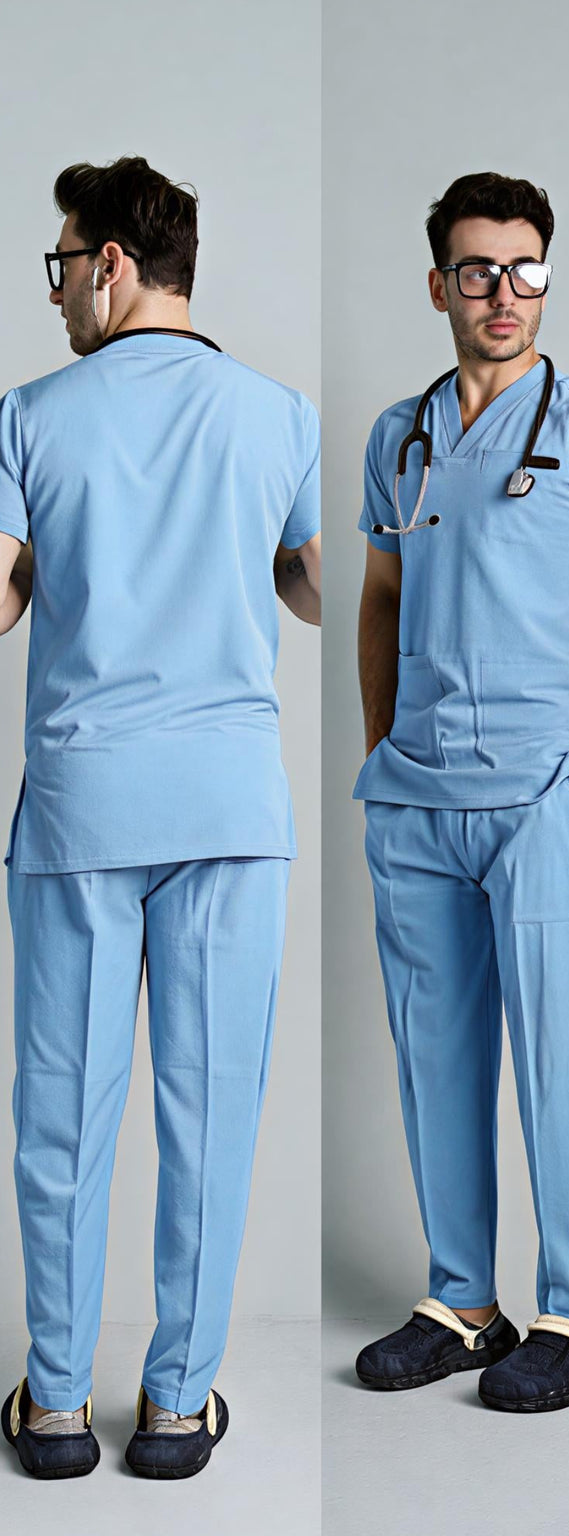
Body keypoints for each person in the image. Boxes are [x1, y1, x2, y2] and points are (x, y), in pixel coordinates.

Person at [0, 156, 321, 1481]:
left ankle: (56, 1409)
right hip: (230, 809)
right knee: (211, 1112)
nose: (58, 293)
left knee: (62, 1117)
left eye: (63, 266)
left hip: (84, 808)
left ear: (115, 264)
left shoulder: (29, 416)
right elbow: (316, 586)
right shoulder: (280, 415)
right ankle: (178, 1409)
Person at [353, 171, 569, 1413]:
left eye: (525, 269)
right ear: (439, 285)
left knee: (559, 1063)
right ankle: (463, 1302)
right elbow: (380, 600)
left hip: (544, 799)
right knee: (433, 1059)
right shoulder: (398, 438)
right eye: (479, 270)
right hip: (417, 803)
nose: (504, 291)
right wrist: (384, 753)